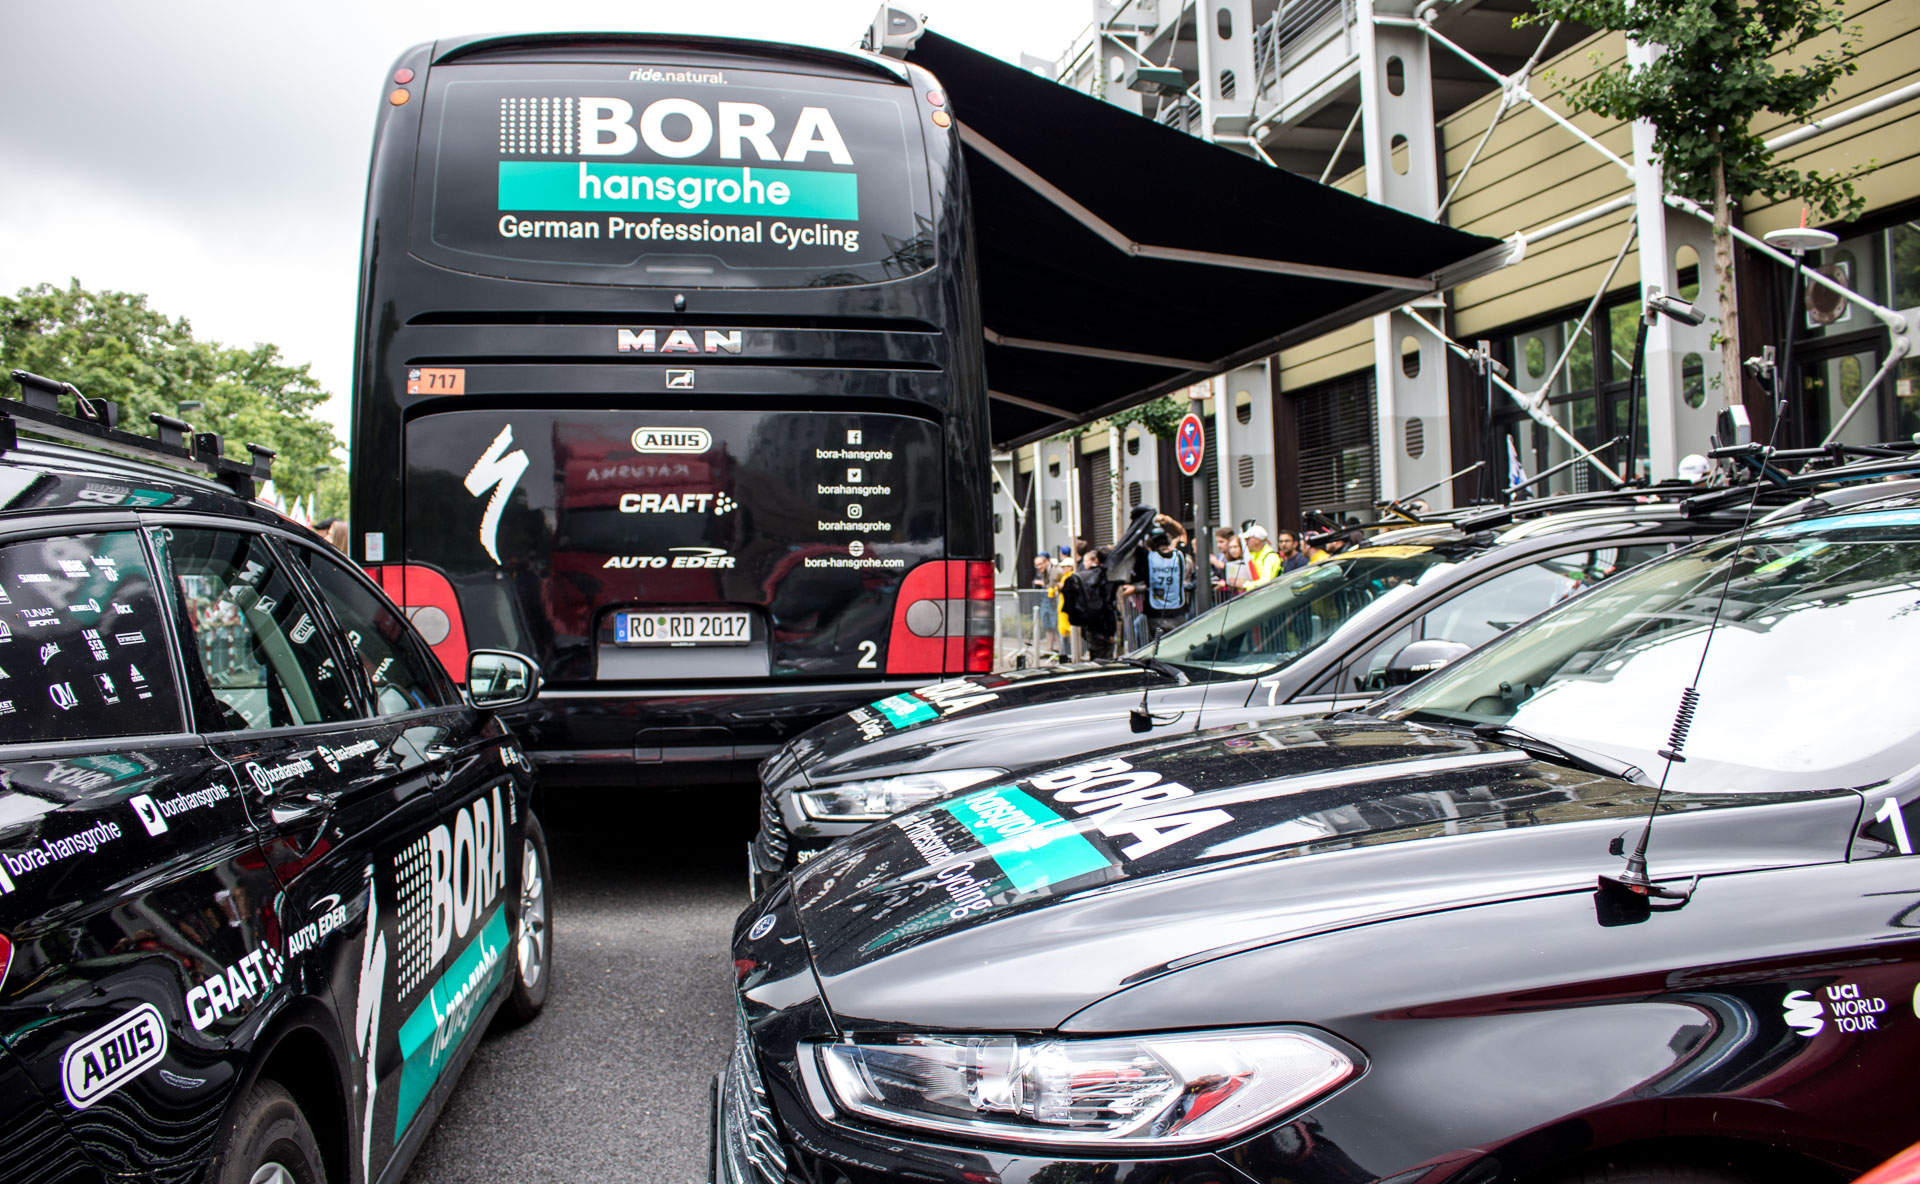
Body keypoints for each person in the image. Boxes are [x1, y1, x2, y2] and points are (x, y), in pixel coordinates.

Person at [1121, 525, 1193, 642]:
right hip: (1178, 612)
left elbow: (1131, 541)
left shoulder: (1147, 557)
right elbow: (1183, 534)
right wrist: (1169, 521)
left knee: (1157, 650)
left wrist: (1143, 523)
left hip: (1155, 614)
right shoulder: (1179, 555)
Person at [1061, 547, 1119, 659]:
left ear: (1096, 560)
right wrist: (1111, 631)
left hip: (1091, 625)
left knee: (1096, 657)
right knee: (1104, 660)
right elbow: (1108, 605)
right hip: (1103, 626)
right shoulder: (1106, 577)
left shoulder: (1087, 577)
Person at [1213, 528, 1251, 600]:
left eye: (1235, 547)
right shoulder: (1229, 562)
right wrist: (1224, 585)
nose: (1233, 550)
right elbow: (1230, 582)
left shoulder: (1249, 560)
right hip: (1234, 598)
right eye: (1230, 547)